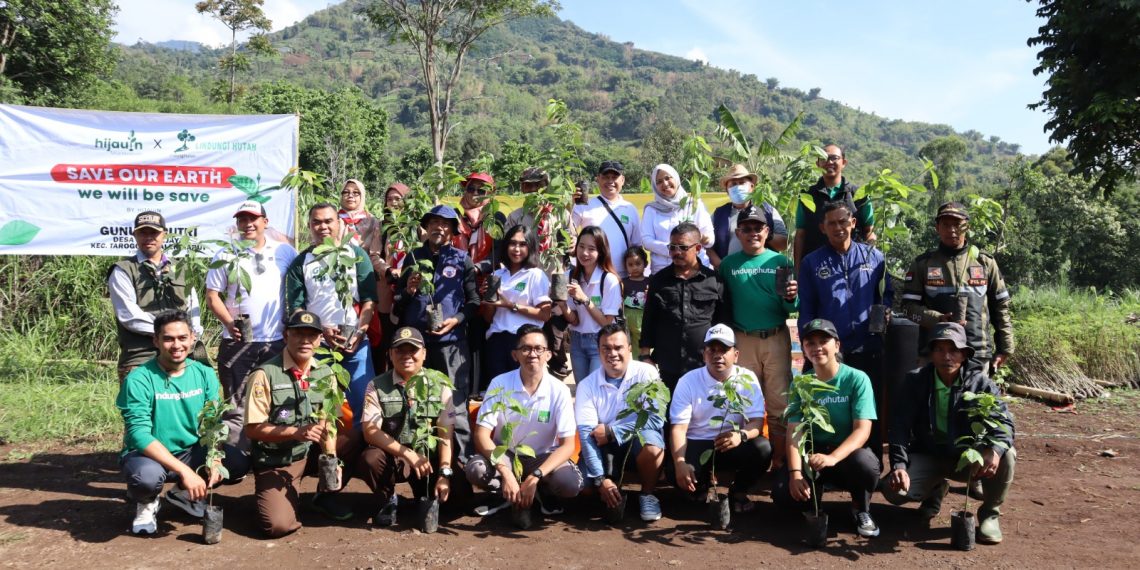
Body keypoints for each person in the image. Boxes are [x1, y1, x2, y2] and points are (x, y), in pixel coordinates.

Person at [117, 310, 249, 535]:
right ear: (155, 341)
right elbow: (138, 434)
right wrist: (186, 472)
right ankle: (147, 502)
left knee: (236, 462)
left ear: (192, 338)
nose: (176, 345)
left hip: (190, 450)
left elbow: (212, 423)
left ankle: (182, 494)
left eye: (182, 338)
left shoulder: (204, 373)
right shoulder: (139, 378)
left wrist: (215, 456)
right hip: (149, 455)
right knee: (145, 479)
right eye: (168, 339)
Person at [883, 322, 1016, 544]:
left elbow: (1003, 423)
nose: (947, 356)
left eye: (953, 350)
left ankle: (990, 513)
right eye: (940, 349)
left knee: (1007, 455)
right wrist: (898, 466)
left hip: (968, 459)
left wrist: (995, 450)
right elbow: (899, 426)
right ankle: (935, 490)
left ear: (964, 354)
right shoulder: (915, 381)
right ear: (931, 354)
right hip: (929, 455)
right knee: (893, 491)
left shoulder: (980, 384)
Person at [797, 200, 893, 468]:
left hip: (867, 346)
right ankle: (820, 467)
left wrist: (885, 311)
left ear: (853, 223)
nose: (838, 227)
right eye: (832, 223)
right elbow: (807, 308)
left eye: (843, 221)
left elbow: (887, 295)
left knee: (867, 409)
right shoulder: (812, 263)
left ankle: (871, 467)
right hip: (829, 352)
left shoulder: (874, 258)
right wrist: (810, 346)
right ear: (822, 228)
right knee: (823, 409)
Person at [243, 310, 354, 537]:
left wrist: (331, 458)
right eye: (298, 334)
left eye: (311, 335)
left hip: (312, 451)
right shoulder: (265, 374)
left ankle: (325, 496)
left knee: (356, 437)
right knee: (277, 526)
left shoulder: (326, 372)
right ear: (285, 336)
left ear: (320, 339)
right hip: (278, 458)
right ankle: (289, 495)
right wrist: (295, 432)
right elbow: (252, 429)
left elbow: (329, 420)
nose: (305, 341)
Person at [774, 319, 881, 538]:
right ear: (803, 349)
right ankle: (814, 500)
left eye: (824, 341)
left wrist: (833, 457)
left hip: (846, 456)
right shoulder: (801, 384)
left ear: (837, 346)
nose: (817, 347)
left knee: (866, 465)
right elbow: (795, 431)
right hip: (813, 458)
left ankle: (860, 507)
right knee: (782, 493)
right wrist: (795, 474)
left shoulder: (856, 379)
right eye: (810, 343)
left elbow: (862, 430)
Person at [206, 200, 298, 449]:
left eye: (253, 219)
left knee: (277, 398)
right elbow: (212, 296)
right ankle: (237, 456)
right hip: (238, 342)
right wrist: (228, 322)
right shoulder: (226, 254)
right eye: (242, 220)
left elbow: (299, 287)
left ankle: (273, 452)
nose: (247, 224)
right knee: (236, 402)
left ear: (265, 223)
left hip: (276, 341)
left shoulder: (285, 252)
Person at [466, 325, 583, 514]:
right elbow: (481, 434)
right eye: (526, 348)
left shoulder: (559, 390)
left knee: (569, 483)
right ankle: (501, 495)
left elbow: (568, 445)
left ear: (548, 355)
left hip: (542, 456)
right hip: (507, 454)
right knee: (476, 469)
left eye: (539, 349)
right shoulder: (499, 384)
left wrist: (536, 476)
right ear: (515, 355)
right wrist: (506, 472)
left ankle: (543, 493)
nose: (532, 354)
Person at [394, 204, 478, 461]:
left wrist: (456, 320)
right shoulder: (413, 257)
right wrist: (408, 289)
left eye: (445, 224)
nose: (438, 228)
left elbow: (473, 301)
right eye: (434, 223)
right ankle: (419, 458)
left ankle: (464, 461)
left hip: (451, 343)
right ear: (426, 227)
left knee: (455, 402)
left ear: (453, 230)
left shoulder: (461, 259)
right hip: (416, 344)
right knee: (415, 400)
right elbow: (399, 301)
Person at [718, 205, 798, 466]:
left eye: (758, 228)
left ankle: (780, 462)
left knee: (779, 405)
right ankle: (746, 463)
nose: (752, 233)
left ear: (767, 231)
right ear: (738, 233)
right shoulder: (729, 265)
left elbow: (791, 307)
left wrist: (792, 297)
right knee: (741, 403)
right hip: (742, 340)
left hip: (776, 337)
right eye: (746, 228)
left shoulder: (781, 262)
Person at [285, 203, 377, 429]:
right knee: (319, 406)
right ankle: (324, 456)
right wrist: (321, 330)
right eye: (316, 222)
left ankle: (363, 456)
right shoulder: (302, 262)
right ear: (309, 225)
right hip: (320, 345)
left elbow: (369, 300)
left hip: (356, 344)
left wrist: (360, 331)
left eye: (328, 221)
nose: (322, 226)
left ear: (340, 223)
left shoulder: (355, 254)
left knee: (365, 404)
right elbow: (296, 308)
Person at [357, 326, 455, 527]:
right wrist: (407, 454)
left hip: (429, 459)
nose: (407, 356)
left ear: (425, 353)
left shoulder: (440, 384)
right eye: (400, 350)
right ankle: (388, 498)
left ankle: (425, 494)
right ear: (390, 354)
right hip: (396, 459)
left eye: (413, 350)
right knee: (371, 458)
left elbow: (445, 433)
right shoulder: (376, 385)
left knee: (457, 497)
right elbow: (370, 432)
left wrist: (445, 472)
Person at [901, 201, 1014, 374]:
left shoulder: (985, 263)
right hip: (936, 353)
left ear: (967, 226)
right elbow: (908, 309)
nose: (951, 230)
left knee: (975, 400)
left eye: (957, 224)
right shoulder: (923, 264)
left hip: (977, 352)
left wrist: (1005, 348)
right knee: (933, 400)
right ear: (937, 227)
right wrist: (937, 319)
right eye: (946, 224)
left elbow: (1001, 307)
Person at [669, 324, 771, 512]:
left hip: (732, 442)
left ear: (736, 355)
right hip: (698, 443)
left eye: (724, 350)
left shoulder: (747, 378)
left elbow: (756, 422)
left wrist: (740, 435)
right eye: (712, 349)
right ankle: (699, 488)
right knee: (671, 462)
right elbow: (679, 429)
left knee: (762, 449)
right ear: (704, 354)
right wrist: (680, 463)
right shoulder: (688, 381)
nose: (718, 355)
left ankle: (738, 492)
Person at [576, 323, 668, 522]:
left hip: (634, 443)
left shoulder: (647, 374)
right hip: (603, 445)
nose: (612, 353)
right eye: (606, 348)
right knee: (583, 485)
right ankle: (610, 487)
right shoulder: (586, 385)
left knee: (652, 446)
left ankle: (647, 494)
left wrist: (613, 431)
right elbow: (585, 436)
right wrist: (600, 479)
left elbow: (655, 418)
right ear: (598, 351)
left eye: (618, 348)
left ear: (629, 349)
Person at [108, 211, 204, 381]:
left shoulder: (181, 268)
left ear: (164, 235)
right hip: (142, 354)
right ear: (134, 235)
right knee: (138, 407)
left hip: (180, 352)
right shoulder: (122, 270)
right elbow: (128, 316)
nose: (148, 237)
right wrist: (169, 332)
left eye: (154, 232)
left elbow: (192, 306)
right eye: (143, 232)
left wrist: (192, 332)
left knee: (188, 404)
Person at [640, 222, 728, 391]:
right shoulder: (659, 280)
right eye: (672, 247)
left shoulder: (714, 281)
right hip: (668, 365)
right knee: (669, 414)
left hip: (705, 365)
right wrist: (645, 355)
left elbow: (724, 321)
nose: (676, 252)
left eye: (682, 247)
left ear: (698, 248)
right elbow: (649, 319)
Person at [479, 224, 553, 383]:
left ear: (530, 247)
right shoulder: (497, 274)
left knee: (522, 390)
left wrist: (511, 305)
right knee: (499, 392)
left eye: (522, 244)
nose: (516, 249)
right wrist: (489, 298)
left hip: (524, 342)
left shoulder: (536, 275)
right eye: (512, 243)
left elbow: (545, 314)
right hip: (497, 340)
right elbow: (488, 318)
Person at [793, 144, 875, 269]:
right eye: (824, 158)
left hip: (853, 266)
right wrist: (798, 271)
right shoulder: (807, 195)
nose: (829, 162)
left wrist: (870, 263)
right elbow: (800, 235)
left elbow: (869, 232)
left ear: (844, 162)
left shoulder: (859, 195)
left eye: (834, 158)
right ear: (818, 163)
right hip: (816, 267)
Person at [560, 225, 622, 380]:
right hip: (577, 341)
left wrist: (584, 299)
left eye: (591, 249)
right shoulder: (570, 276)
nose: (584, 253)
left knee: (597, 389)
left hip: (600, 342)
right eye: (581, 247)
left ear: (601, 252)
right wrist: (562, 304)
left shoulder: (609, 280)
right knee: (582, 390)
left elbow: (607, 324)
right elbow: (574, 320)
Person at [339, 178, 385, 368]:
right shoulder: (332, 219)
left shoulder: (373, 221)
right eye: (346, 192)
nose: (350, 195)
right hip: (339, 279)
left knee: (366, 325)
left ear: (362, 196)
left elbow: (375, 252)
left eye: (355, 192)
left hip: (364, 278)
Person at [708, 164, 788, 269]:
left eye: (742, 183)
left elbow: (783, 244)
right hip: (728, 275)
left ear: (751, 187)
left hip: (762, 272)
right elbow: (707, 245)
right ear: (727, 190)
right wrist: (721, 266)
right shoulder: (718, 214)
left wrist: (762, 232)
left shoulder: (768, 211)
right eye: (733, 184)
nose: (738, 187)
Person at [640, 163, 714, 274]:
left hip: (696, 269)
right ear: (655, 186)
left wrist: (704, 238)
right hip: (663, 271)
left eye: (667, 178)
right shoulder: (652, 209)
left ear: (676, 178)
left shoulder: (693, 204)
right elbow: (646, 241)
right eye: (659, 182)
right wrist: (673, 249)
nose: (665, 183)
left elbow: (710, 240)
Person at [572, 160, 641, 277]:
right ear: (598, 179)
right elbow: (568, 231)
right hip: (591, 274)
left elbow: (636, 245)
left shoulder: (630, 208)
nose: (610, 181)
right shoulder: (584, 205)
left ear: (622, 180)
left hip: (622, 276)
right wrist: (570, 206)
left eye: (614, 177)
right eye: (606, 177)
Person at [375, 182, 413, 372]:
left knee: (408, 330)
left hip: (410, 287)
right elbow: (374, 254)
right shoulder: (382, 226)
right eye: (389, 199)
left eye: (397, 198)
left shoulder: (414, 226)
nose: (393, 202)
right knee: (387, 333)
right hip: (387, 286)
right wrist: (388, 269)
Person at [620, 247, 650, 351]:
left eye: (638, 263)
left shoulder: (649, 282)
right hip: (626, 319)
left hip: (642, 319)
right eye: (630, 265)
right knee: (625, 346)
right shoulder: (623, 282)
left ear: (645, 264)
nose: (634, 267)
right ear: (625, 266)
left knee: (640, 347)